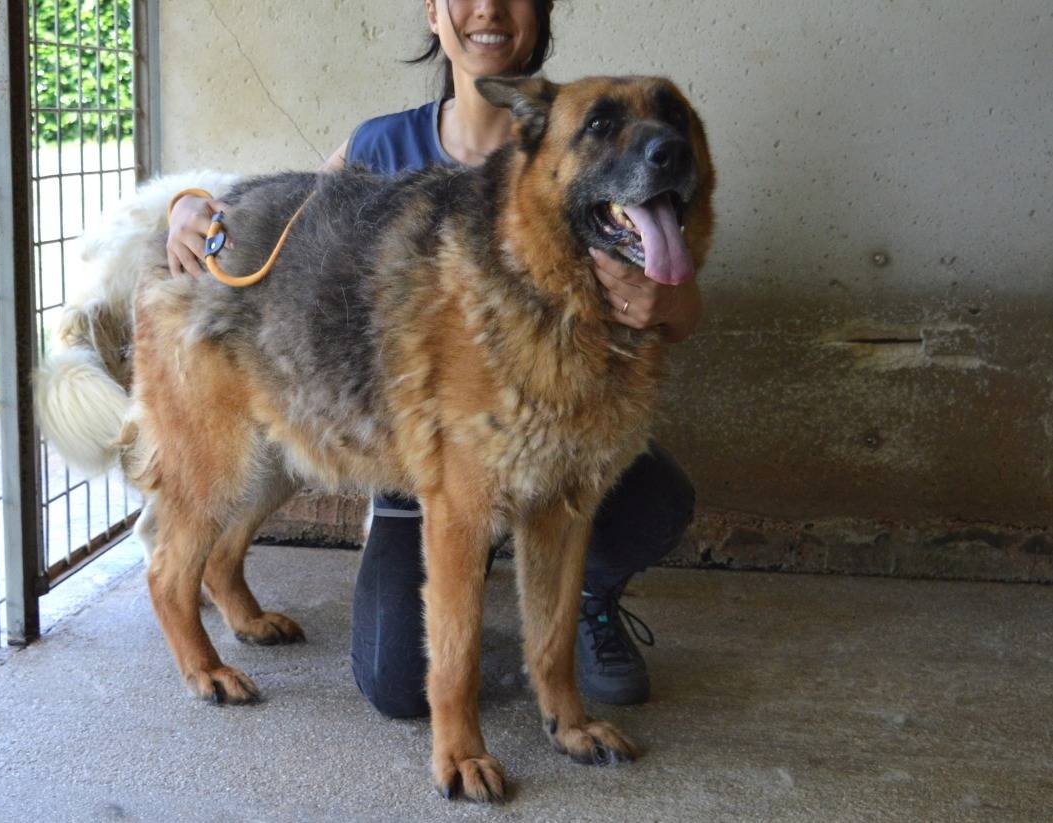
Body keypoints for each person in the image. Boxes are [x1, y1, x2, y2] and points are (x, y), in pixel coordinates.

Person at [165, 0, 703, 719]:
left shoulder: (582, 123)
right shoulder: (385, 143)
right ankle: (200, 601)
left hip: (557, 421)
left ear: (542, 14)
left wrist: (663, 302)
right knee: (395, 682)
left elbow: (683, 311)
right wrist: (187, 209)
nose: (487, 8)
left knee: (653, 496)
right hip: (416, 459)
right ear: (433, 15)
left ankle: (586, 605)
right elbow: (283, 215)